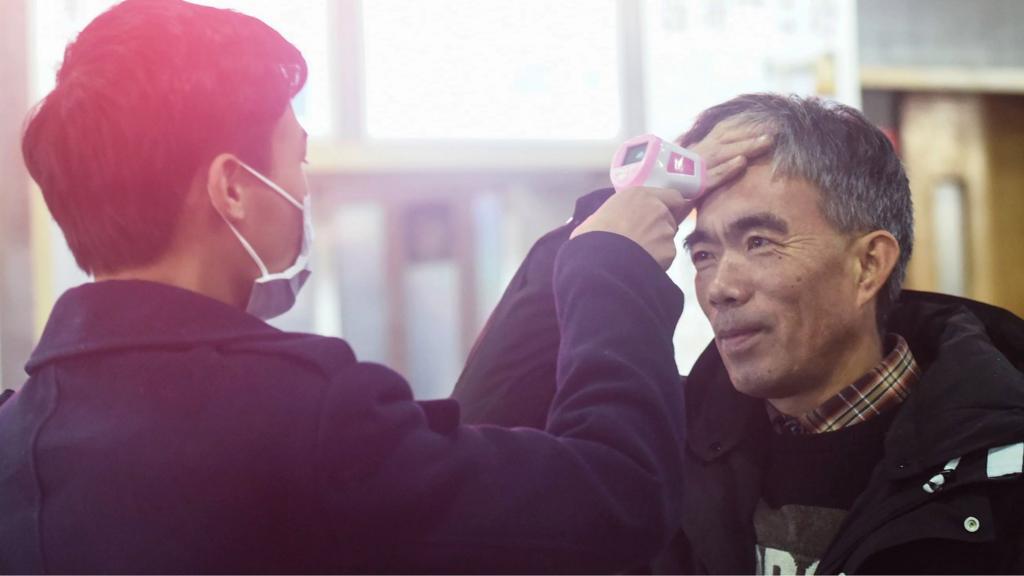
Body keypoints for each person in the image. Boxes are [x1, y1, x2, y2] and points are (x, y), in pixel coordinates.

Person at [0, 1, 774, 572]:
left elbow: (478, 443)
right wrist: (615, 273)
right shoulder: (304, 414)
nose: (305, 190)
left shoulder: (18, 431)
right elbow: (615, 502)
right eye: (296, 161)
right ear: (233, 189)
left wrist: (585, 240)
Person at [453, 93, 1024, 574]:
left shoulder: (998, 462)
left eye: (759, 243)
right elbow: (489, 427)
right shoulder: (666, 447)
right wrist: (610, 224)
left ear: (868, 265)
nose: (720, 286)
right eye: (702, 253)